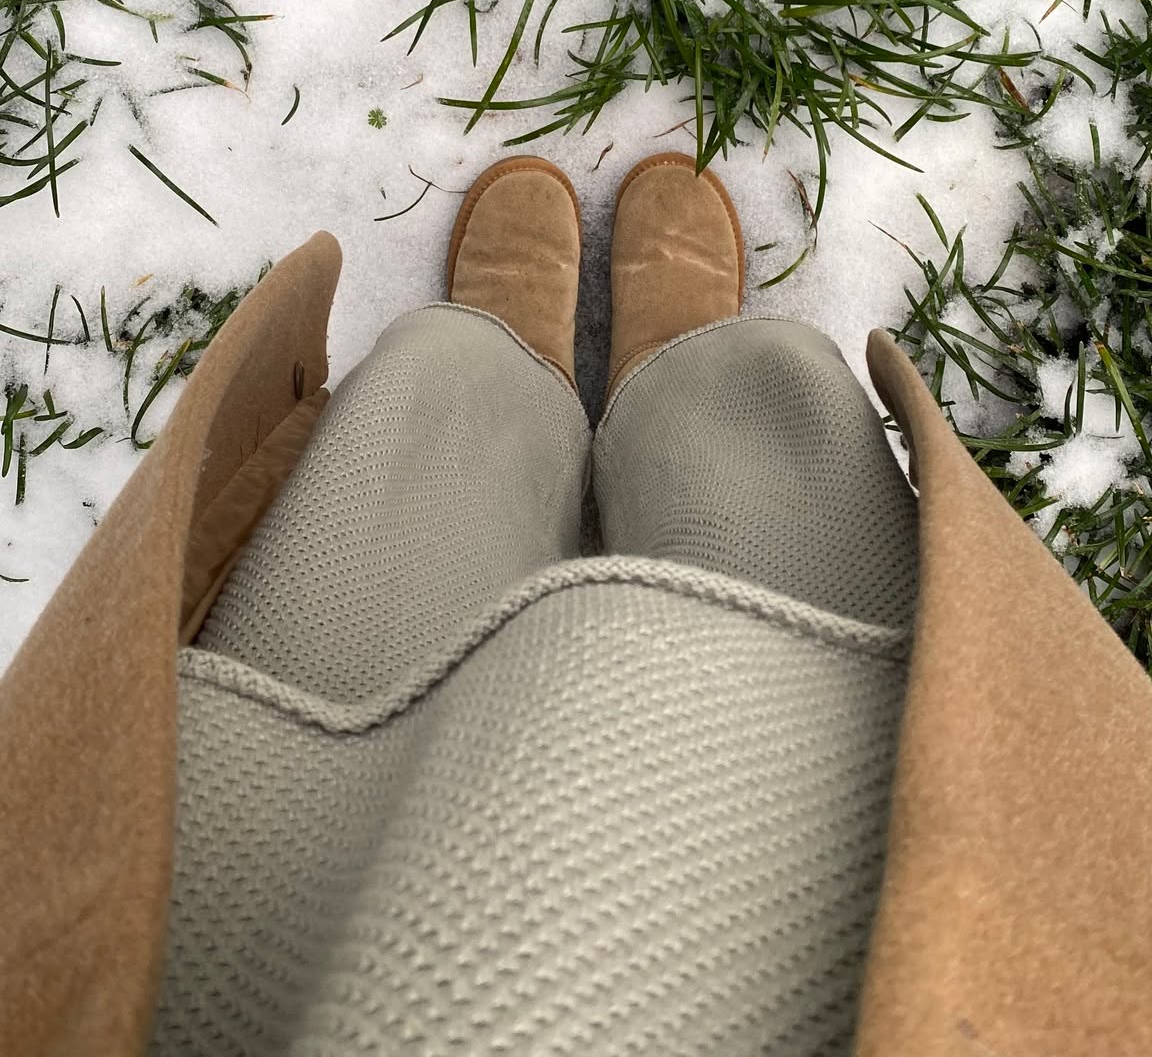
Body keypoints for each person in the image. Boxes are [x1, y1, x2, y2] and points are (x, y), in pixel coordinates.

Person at [2, 153, 1151, 1057]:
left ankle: (498, 367)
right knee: (799, 510)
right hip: (865, 828)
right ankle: (690, 372)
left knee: (385, 526)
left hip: (262, 902)